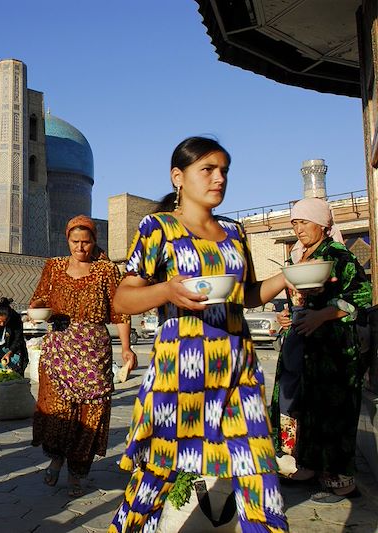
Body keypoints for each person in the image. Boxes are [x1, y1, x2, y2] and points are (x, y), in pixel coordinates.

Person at [108, 137, 290, 532]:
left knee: (260, 474)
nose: (219, 178)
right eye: (207, 170)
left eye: (224, 170)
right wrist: (168, 291)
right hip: (181, 375)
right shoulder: (158, 227)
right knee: (156, 476)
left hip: (238, 373)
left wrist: (288, 277)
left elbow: (247, 295)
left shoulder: (234, 231)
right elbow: (123, 297)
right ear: (179, 177)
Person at [270, 197, 372, 502]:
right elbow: (297, 299)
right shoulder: (298, 256)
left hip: (333, 351)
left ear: (323, 224)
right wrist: (287, 315)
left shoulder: (338, 256)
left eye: (303, 222)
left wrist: (322, 315)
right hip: (302, 347)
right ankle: (308, 467)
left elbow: (361, 296)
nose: (298, 228)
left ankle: (341, 482)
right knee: (301, 407)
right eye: (294, 223)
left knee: (332, 412)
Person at [29, 215, 135, 498]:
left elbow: (121, 311)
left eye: (86, 242)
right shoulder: (54, 267)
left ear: (94, 241)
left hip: (93, 351)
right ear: (67, 241)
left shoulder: (107, 271)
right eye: (75, 242)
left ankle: (77, 474)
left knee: (90, 415)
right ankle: (56, 457)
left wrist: (126, 348)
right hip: (59, 349)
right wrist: (37, 309)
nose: (80, 248)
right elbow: (38, 299)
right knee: (57, 411)